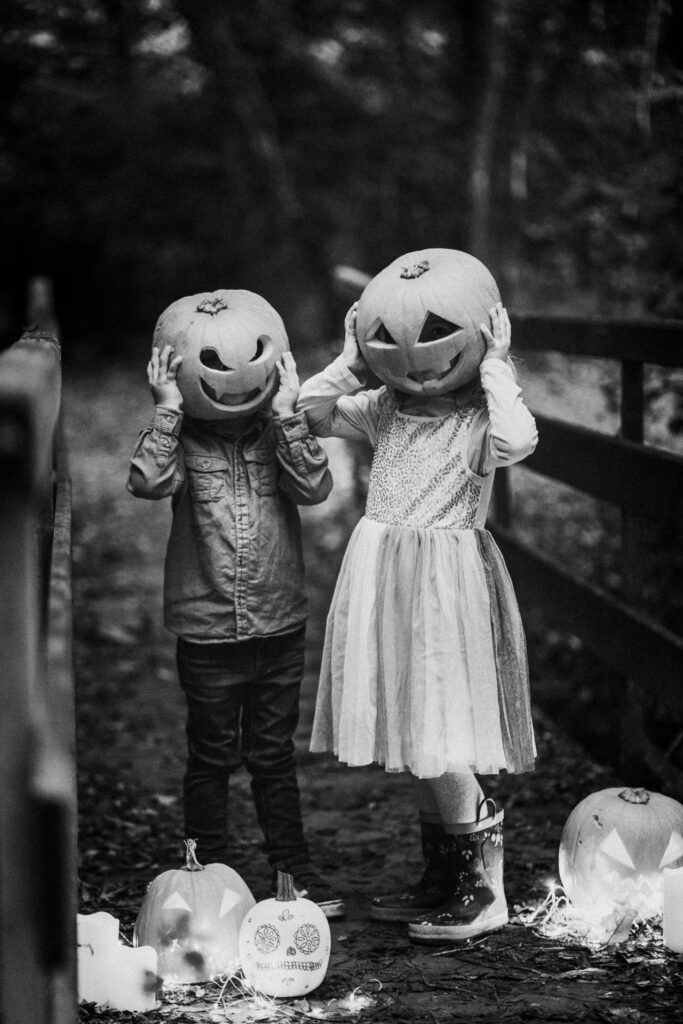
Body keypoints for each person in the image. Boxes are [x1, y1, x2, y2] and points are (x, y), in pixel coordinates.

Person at [296, 250, 538, 942]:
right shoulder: (385, 408)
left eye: (437, 331)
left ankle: (481, 890)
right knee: (411, 723)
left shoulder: (477, 424)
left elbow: (519, 440)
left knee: (440, 730)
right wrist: (348, 359)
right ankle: (442, 874)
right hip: (384, 586)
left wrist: (496, 363)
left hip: (444, 591)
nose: (415, 354)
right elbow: (309, 414)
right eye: (391, 339)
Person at [127, 288, 344, 918]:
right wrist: (168, 410)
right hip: (207, 632)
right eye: (211, 366)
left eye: (250, 357)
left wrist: (285, 414)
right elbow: (146, 481)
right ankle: (203, 879)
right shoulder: (184, 441)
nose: (230, 377)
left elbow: (315, 485)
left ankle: (292, 872)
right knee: (211, 757)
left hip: (279, 627)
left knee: (274, 757)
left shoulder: (278, 432)